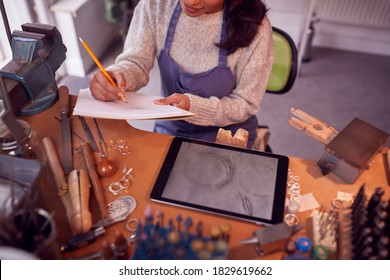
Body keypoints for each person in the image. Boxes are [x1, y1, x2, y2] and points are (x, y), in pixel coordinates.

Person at [89, 0, 274, 149]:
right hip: (171, 122)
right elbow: (135, 62)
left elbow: (246, 103)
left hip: (229, 132)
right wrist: (119, 77)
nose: (191, 1)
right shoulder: (155, 5)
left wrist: (194, 107)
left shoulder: (256, 27)